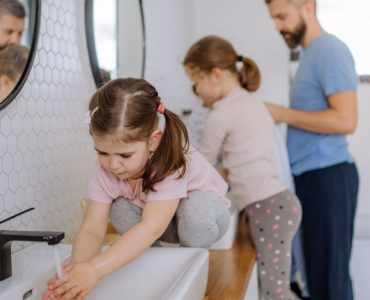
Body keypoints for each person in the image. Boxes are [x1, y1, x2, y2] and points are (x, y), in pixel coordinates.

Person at [43, 77, 231, 300]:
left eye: (125, 155)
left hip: (205, 217)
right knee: (120, 208)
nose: (113, 165)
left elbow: (151, 227)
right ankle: (158, 262)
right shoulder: (105, 171)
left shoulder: (170, 160)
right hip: (165, 222)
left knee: (194, 210)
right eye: (102, 152)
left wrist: (95, 270)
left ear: (152, 141)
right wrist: (75, 277)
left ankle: (189, 262)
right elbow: (93, 228)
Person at [183, 35, 302, 300]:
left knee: (273, 292)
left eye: (196, 81)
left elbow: (202, 165)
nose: (197, 90)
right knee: (275, 288)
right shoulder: (253, 103)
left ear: (215, 74)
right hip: (276, 203)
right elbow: (241, 160)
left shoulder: (221, 114)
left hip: (269, 206)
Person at [264, 1, 359, 300]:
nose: (278, 26)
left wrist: (281, 113)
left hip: (327, 177)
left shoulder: (328, 50)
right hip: (312, 178)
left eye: (282, 17)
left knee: (329, 283)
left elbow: (346, 119)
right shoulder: (309, 55)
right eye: (274, 19)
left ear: (306, 6)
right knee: (318, 281)